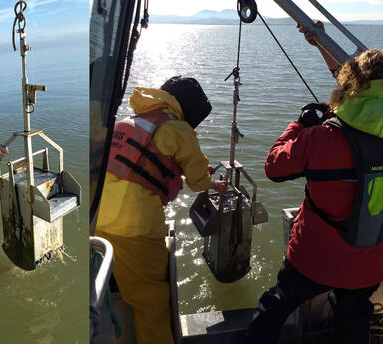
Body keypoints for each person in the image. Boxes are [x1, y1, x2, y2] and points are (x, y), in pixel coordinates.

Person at [246, 49, 383, 344]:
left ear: (351, 85)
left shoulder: (322, 137)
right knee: (354, 317)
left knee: (277, 304)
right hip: (370, 263)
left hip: (313, 258)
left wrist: (299, 126)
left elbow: (274, 167)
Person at [96, 76, 228, 344]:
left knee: (122, 292)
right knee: (151, 302)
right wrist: (211, 181)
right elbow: (198, 182)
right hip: (136, 230)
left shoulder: (127, 122)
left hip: (98, 222)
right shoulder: (178, 130)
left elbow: (140, 168)